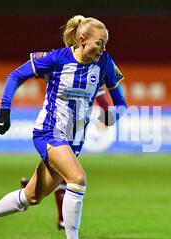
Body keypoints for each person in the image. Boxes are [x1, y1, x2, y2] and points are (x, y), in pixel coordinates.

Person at [0, 15, 127, 239]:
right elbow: (15, 75)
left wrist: (112, 116)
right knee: (78, 178)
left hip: (73, 141)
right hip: (48, 132)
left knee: (31, 197)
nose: (103, 49)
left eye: (105, 44)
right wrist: (5, 110)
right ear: (82, 40)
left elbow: (120, 104)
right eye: (99, 43)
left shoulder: (104, 63)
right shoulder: (57, 58)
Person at [20, 89, 111, 230]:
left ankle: (27, 193)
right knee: (66, 173)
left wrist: (107, 120)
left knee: (55, 174)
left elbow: (104, 100)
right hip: (57, 127)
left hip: (76, 130)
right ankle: (63, 221)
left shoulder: (94, 70)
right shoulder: (68, 70)